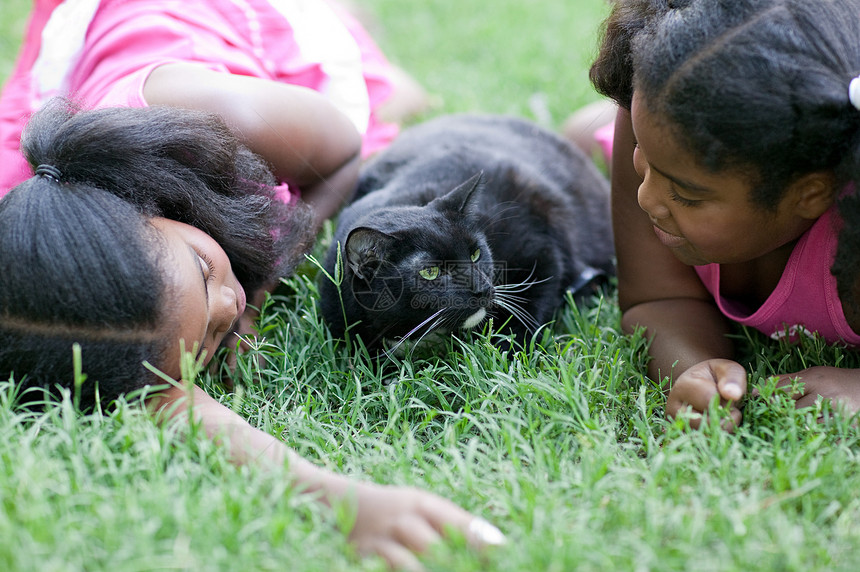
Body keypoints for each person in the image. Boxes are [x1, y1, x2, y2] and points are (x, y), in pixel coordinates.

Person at [0, 99, 505, 571]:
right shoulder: (45, 302)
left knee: (388, 98)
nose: (227, 303)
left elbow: (343, 151)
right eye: (203, 347)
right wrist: (335, 498)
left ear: (142, 205)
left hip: (222, 37)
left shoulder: (221, 113)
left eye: (201, 269)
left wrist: (260, 291)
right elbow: (175, 402)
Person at [584, 0, 860, 429]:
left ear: (811, 193)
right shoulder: (657, 114)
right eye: (644, 159)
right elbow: (657, 298)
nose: (647, 200)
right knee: (576, 141)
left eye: (687, 195)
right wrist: (694, 368)